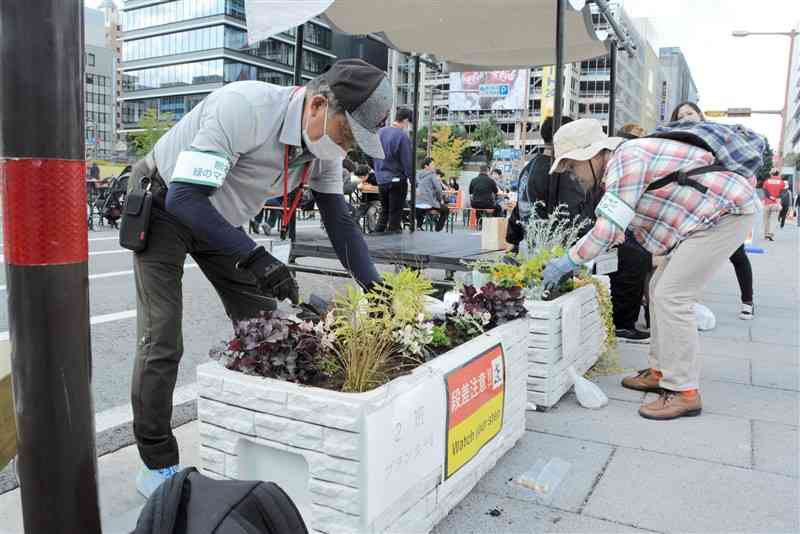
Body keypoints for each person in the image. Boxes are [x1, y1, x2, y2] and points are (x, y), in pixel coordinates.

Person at [125, 59, 391, 497]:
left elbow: (339, 222)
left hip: (218, 219)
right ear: (319, 104)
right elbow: (187, 197)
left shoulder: (321, 145)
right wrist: (255, 257)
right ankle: (157, 467)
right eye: (348, 135)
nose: (347, 147)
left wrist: (374, 287)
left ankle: (263, 433)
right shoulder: (245, 108)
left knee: (267, 329)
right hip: (166, 203)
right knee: (162, 338)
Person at [542, 119, 760, 420]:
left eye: (571, 167)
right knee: (659, 289)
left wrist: (568, 260)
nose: (572, 176)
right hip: (705, 219)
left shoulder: (626, 160)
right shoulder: (624, 159)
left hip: (726, 214)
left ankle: (684, 391)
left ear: (589, 156)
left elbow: (606, 231)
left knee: (672, 296)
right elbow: (618, 226)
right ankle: (661, 372)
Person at [671, 101, 756, 320]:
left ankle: (748, 300)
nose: (686, 117)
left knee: (737, 255)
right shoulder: (677, 142)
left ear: (700, 115)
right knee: (691, 259)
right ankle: (690, 302)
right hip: (693, 209)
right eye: (681, 116)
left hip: (726, 207)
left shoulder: (715, 137)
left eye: (690, 113)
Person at [373, 108, 413, 233]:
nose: (408, 127)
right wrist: (413, 181)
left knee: (384, 212)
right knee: (394, 215)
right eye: (409, 123)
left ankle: (375, 242)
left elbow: (368, 153)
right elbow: (407, 163)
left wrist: (376, 169)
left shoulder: (380, 133)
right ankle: (392, 248)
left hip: (381, 180)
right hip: (397, 179)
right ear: (405, 120)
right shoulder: (402, 136)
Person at [415, 157, 449, 231]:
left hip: (416, 204)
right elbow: (439, 190)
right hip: (428, 204)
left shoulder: (417, 175)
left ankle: (419, 226)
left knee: (420, 207)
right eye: (432, 164)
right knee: (445, 210)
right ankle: (438, 228)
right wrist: (439, 200)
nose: (434, 166)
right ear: (426, 166)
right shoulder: (433, 175)